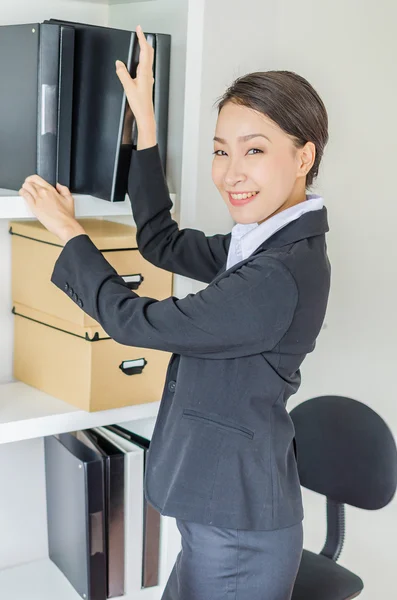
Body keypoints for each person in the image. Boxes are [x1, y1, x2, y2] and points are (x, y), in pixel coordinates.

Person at [19, 24, 330, 600]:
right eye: (221, 150)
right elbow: (161, 241)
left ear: (303, 155)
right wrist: (144, 123)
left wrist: (68, 233)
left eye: (254, 150)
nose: (231, 173)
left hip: (238, 530)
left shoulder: (277, 273)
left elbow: (136, 322)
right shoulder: (262, 243)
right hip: (218, 503)